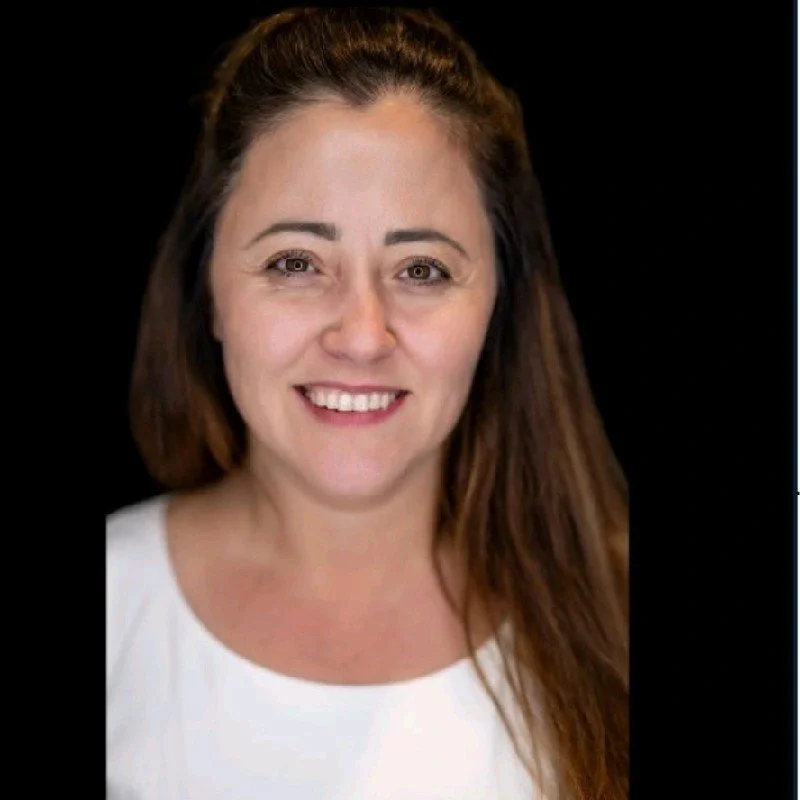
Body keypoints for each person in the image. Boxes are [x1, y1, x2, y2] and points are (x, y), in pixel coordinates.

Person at [106, 7, 629, 799]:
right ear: (209, 291)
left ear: (499, 305)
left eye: (421, 269)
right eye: (295, 260)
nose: (362, 334)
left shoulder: (618, 617)